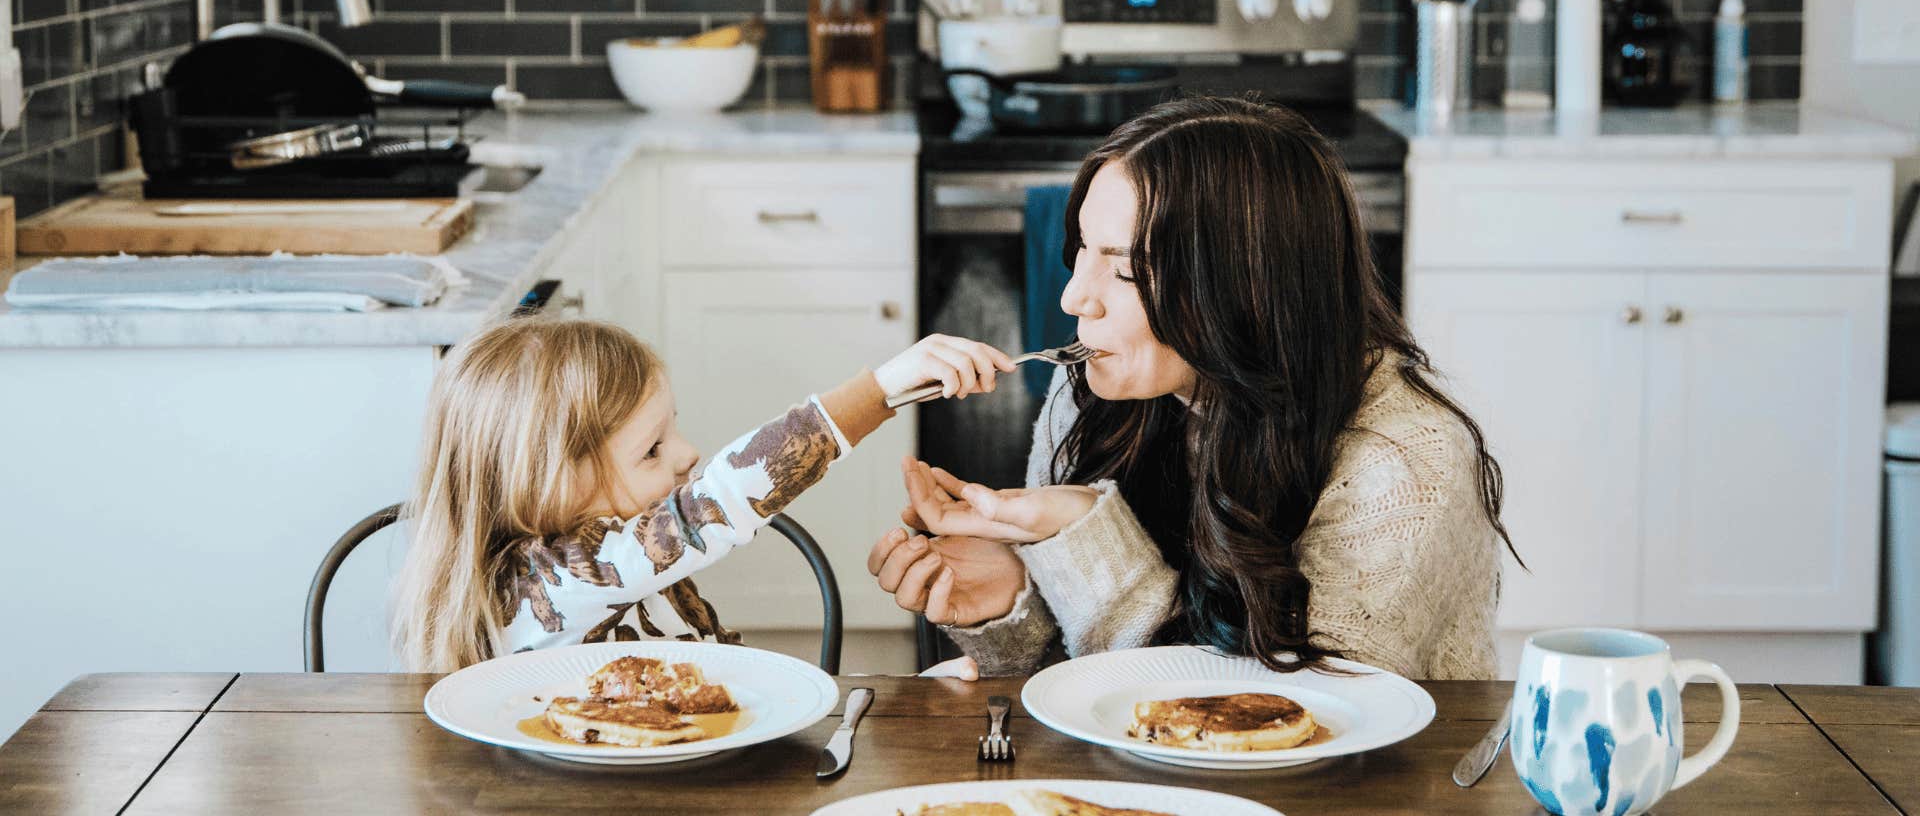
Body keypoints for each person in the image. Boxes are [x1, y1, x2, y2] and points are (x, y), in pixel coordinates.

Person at [867, 96, 1518, 680]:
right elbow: (1080, 679)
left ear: (1242, 291)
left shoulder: (1405, 456)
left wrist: (1084, 534)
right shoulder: (1088, 399)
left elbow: (1288, 727)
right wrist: (1006, 608)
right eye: (1082, 251)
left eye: (1123, 273)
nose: (1073, 296)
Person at [392, 315, 1013, 672]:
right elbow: (710, 506)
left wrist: (891, 701)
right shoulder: (553, 581)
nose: (688, 455)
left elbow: (724, 683)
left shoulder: (625, 567)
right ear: (550, 481)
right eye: (652, 449)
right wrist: (876, 392)